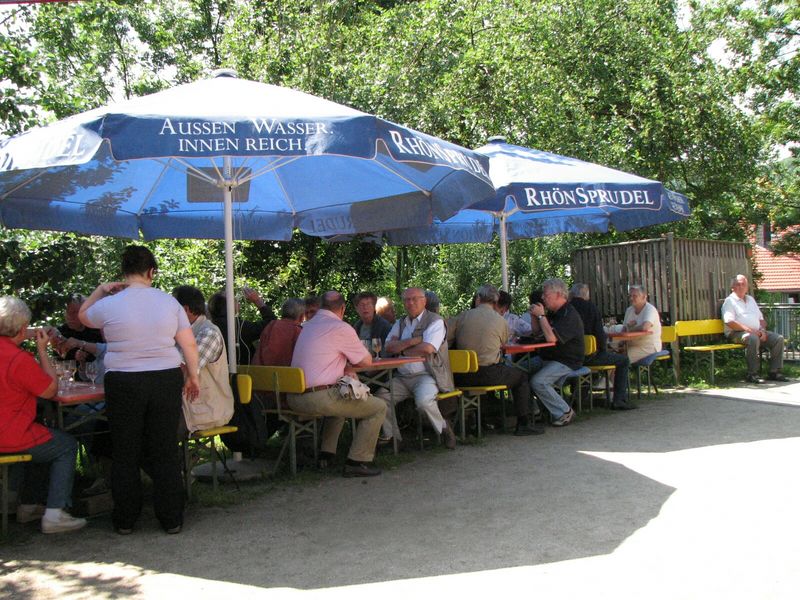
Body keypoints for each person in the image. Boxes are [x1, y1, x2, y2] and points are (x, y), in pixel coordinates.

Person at [80, 245, 200, 535]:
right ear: (151, 271)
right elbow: (188, 344)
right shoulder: (169, 302)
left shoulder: (110, 304)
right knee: (164, 449)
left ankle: (125, 519)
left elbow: (83, 315)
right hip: (164, 377)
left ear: (124, 272)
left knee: (125, 450)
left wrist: (100, 290)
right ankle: (171, 518)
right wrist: (193, 376)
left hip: (123, 380)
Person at [0, 296, 87, 534]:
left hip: (10, 431)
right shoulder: (19, 360)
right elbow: (50, 390)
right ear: (22, 327)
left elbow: (9, 333)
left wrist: (35, 333)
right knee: (65, 445)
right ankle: (55, 514)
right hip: (10, 434)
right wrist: (42, 349)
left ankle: (21, 503)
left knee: (46, 436)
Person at [289, 291, 387, 477]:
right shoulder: (340, 327)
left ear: (321, 306)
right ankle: (357, 461)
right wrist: (348, 364)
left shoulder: (307, 326)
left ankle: (327, 455)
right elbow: (366, 361)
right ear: (342, 308)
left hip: (294, 398)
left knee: (341, 399)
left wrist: (343, 364)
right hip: (319, 398)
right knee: (378, 407)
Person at [449, 284, 543, 436]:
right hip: (488, 374)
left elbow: (447, 338)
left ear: (478, 299)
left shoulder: (461, 317)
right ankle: (523, 423)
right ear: (495, 302)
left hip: (461, 376)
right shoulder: (500, 321)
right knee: (521, 377)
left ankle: (479, 421)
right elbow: (503, 344)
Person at [378, 287, 458, 449]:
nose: (410, 303)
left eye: (414, 299)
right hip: (401, 378)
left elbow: (428, 348)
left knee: (423, 402)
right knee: (380, 398)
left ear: (424, 301)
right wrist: (413, 341)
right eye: (407, 300)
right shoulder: (401, 322)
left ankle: (444, 429)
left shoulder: (435, 321)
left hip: (426, 376)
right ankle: (394, 438)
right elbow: (388, 347)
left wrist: (401, 349)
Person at [173, 286, 234, 434]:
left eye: (172, 308)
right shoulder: (182, 331)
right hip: (187, 406)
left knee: (158, 425)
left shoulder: (209, 333)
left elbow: (181, 368)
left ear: (185, 309)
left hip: (207, 409)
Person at [569, 283, 635, 410]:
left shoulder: (567, 307)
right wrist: (604, 350)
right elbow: (599, 333)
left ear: (572, 294)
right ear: (586, 295)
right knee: (624, 360)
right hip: (590, 356)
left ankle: (579, 399)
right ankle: (619, 400)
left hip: (571, 356)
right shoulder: (591, 308)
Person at [529, 279, 585, 426]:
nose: (543, 297)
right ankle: (534, 411)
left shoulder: (569, 314)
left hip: (566, 361)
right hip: (547, 357)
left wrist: (541, 316)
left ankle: (564, 412)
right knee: (518, 372)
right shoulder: (554, 313)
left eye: (546, 294)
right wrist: (534, 317)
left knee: (538, 381)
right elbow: (537, 334)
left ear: (559, 294)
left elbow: (551, 338)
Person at [721, 274, 788, 383]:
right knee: (752, 338)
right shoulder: (730, 301)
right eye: (738, 284)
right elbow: (729, 322)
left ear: (747, 287)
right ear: (732, 287)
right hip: (736, 333)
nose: (741, 287)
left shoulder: (751, 299)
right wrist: (750, 331)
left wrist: (762, 331)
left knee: (778, 339)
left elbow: (761, 320)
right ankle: (752, 374)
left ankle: (774, 372)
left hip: (757, 332)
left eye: (743, 284)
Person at [208, 286, 274, 365]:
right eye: (235, 300)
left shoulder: (208, 327)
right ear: (230, 306)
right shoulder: (240, 327)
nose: (238, 303)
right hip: (240, 371)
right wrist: (258, 301)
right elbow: (271, 323)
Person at [254, 298, 305, 367]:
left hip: (260, 371)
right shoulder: (298, 331)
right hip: (285, 372)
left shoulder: (271, 325)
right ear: (302, 316)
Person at [53, 294, 103, 361]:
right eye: (67, 312)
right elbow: (58, 358)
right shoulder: (60, 332)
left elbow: (108, 352)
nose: (70, 316)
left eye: (74, 312)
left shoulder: (98, 329)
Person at [622, 285, 662, 364]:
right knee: (612, 353)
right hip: (631, 344)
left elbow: (645, 327)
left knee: (621, 358)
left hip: (649, 346)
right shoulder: (629, 310)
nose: (631, 298)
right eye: (630, 296)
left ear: (644, 297)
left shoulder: (650, 309)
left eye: (634, 296)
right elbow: (624, 329)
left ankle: (615, 372)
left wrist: (630, 329)